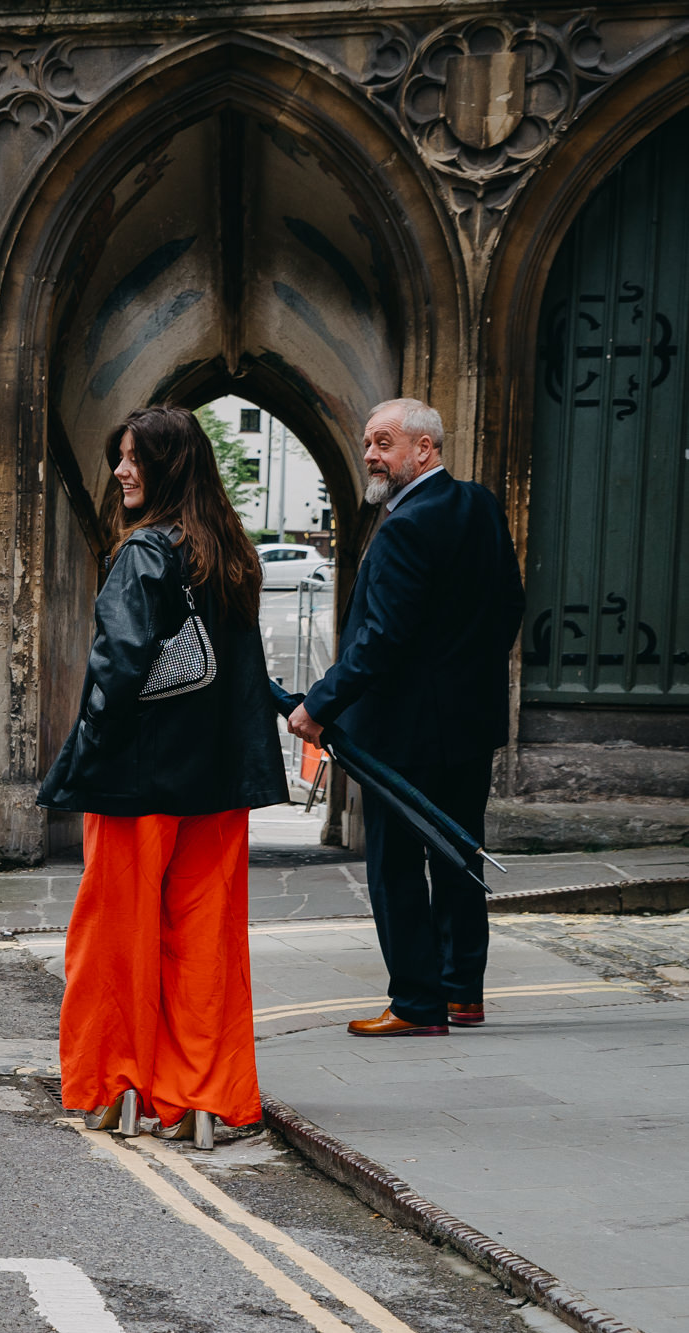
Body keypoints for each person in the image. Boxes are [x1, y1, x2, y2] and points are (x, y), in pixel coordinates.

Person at [38, 406, 288, 1140]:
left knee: (117, 936)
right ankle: (204, 1095)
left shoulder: (144, 554)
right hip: (218, 786)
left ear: (168, 466)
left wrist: (81, 758)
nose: (120, 471)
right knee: (207, 941)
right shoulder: (233, 556)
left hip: (138, 782)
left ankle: (116, 1081)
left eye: (134, 459)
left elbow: (114, 674)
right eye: (120, 456)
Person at [286, 398, 524, 1036]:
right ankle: (462, 994)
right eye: (368, 443)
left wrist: (318, 704)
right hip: (467, 726)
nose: (370, 454)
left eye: (383, 442)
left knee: (394, 865)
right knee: (458, 856)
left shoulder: (404, 526)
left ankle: (418, 1005)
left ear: (425, 449)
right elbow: (510, 608)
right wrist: (462, 675)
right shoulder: (479, 506)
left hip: (402, 732)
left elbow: (380, 640)